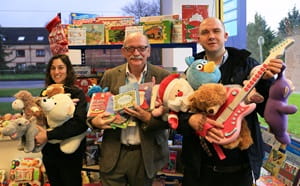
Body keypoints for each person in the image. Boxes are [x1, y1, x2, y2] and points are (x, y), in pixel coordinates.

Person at [177, 17, 284, 186]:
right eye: (205, 32)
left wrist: (266, 81)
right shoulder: (191, 71)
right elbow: (175, 113)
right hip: (199, 169)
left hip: (240, 168)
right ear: (199, 40)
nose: (211, 36)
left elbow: (266, 110)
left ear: (225, 36)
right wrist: (190, 120)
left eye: (216, 31)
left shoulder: (247, 64)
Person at [87, 32, 171, 186]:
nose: (136, 53)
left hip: (146, 155)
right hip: (114, 154)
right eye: (130, 49)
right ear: (123, 51)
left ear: (149, 51)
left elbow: (171, 120)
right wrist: (95, 122)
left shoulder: (163, 76)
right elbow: (95, 109)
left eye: (141, 48)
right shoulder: (110, 75)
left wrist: (147, 118)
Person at [35, 54, 88, 186]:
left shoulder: (77, 93)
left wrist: (48, 135)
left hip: (70, 154)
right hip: (49, 152)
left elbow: (80, 124)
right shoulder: (45, 93)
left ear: (68, 70)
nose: (56, 72)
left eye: (60, 67)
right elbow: (42, 118)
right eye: (53, 68)